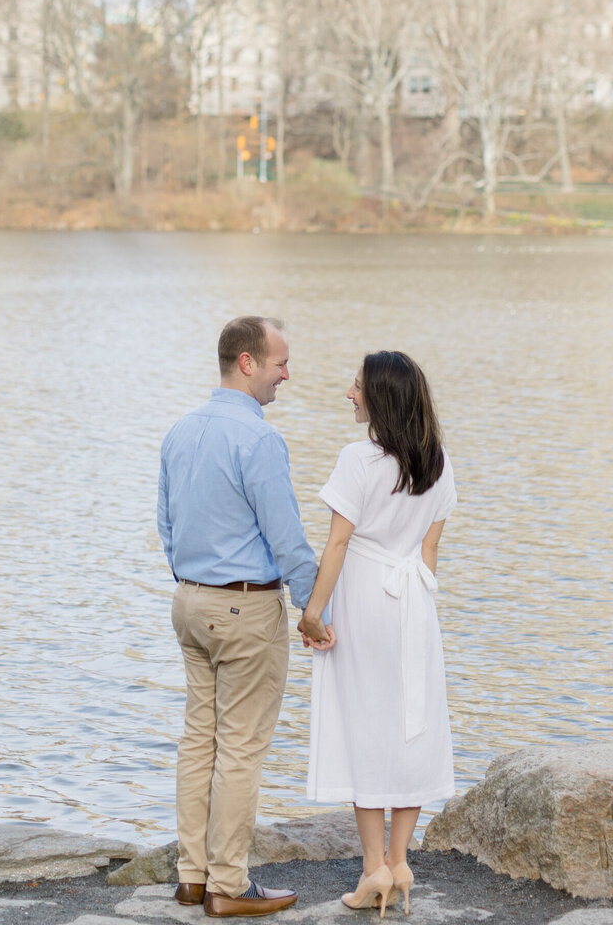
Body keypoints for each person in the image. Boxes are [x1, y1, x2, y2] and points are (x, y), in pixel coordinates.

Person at [158, 315, 318, 918]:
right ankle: (229, 884)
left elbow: (167, 525)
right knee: (241, 749)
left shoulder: (180, 430)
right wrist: (313, 610)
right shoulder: (258, 439)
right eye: (280, 362)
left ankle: (191, 877)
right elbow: (288, 539)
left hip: (190, 601)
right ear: (246, 362)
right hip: (245, 606)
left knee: (200, 739)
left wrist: (191, 580)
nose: (287, 373)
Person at [299, 352, 456, 918]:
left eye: (357, 386)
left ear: (382, 399)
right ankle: (401, 861)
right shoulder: (437, 461)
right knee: (411, 722)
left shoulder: (358, 459)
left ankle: (373, 872)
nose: (349, 393)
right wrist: (416, 605)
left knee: (363, 723)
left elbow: (337, 545)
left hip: (364, 597)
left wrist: (313, 612)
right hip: (415, 600)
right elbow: (430, 553)